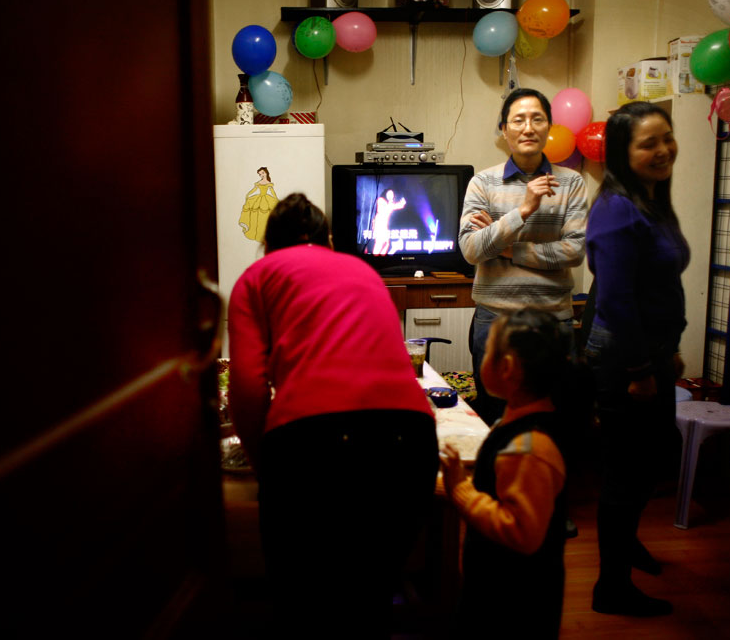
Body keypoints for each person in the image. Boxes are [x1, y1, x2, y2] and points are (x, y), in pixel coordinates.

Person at [227, 193, 439, 639]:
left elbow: (245, 389)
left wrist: (267, 468)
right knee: (371, 594)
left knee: (304, 601)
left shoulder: (256, 276)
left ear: (268, 244)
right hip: (412, 437)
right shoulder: (363, 270)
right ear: (326, 239)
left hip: (312, 439)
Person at [584, 101, 689, 617]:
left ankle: (625, 543)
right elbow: (617, 300)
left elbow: (659, 285)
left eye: (666, 137)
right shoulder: (615, 209)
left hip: (652, 352)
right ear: (623, 155)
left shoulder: (651, 201)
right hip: (625, 357)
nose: (663, 149)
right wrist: (640, 371)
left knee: (655, 458)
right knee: (627, 472)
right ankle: (611, 587)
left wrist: (668, 351)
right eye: (648, 143)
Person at [458, 88, 588, 425]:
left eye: (537, 119)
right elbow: (471, 250)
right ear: (504, 130)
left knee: (554, 420)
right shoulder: (482, 183)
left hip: (553, 322)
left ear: (549, 127)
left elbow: (573, 250)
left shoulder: (571, 183)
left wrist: (505, 247)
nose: (528, 127)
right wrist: (524, 210)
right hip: (495, 320)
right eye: (518, 120)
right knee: (493, 417)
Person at [440, 309, 572, 638]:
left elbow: (521, 533)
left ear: (507, 368)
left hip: (515, 599)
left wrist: (463, 492)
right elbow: (502, 486)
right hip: (493, 581)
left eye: (487, 351)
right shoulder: (514, 421)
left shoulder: (530, 448)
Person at [238, 166, 278, 241]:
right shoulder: (259, 183)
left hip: (266, 199)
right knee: (256, 215)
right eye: (260, 174)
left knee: (265, 215)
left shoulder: (269, 183)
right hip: (258, 199)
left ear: (266, 173)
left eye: (262, 173)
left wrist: (276, 199)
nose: (262, 175)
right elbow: (254, 189)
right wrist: (248, 194)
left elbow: (272, 192)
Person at [371, 187, 407, 255]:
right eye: (389, 194)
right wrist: (396, 204)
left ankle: (381, 257)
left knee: (386, 243)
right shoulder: (381, 200)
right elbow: (382, 209)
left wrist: (402, 203)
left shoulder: (390, 204)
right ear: (385, 194)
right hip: (379, 225)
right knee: (379, 243)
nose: (391, 195)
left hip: (384, 226)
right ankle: (374, 257)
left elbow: (396, 206)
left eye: (392, 194)